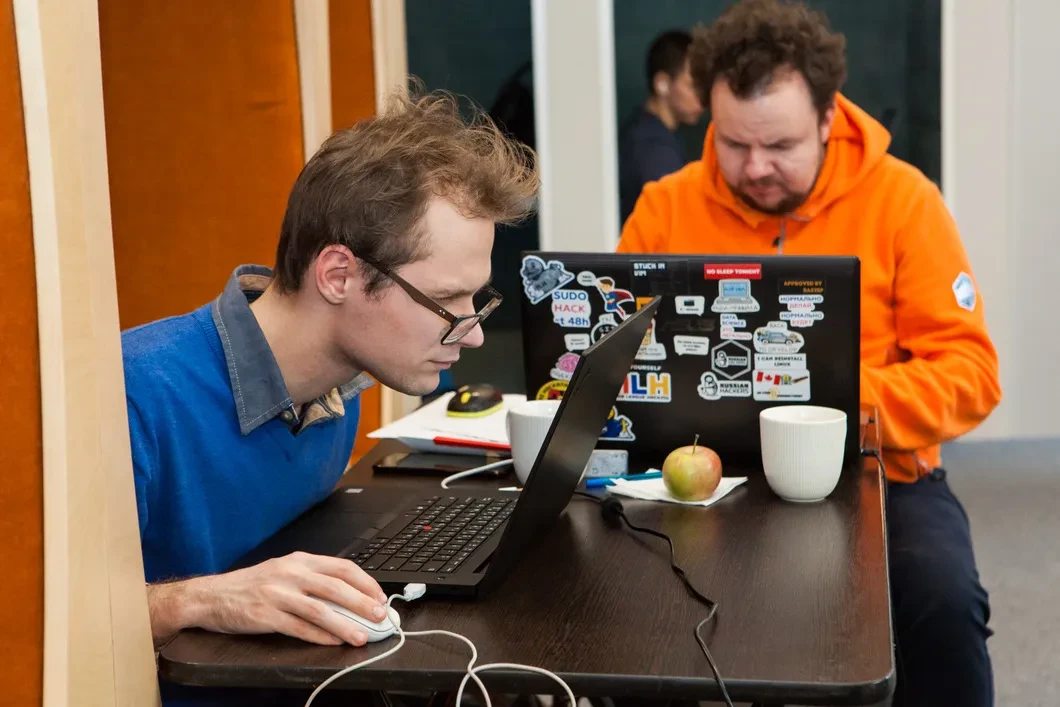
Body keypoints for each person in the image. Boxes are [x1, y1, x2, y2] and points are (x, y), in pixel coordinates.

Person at [618, 1, 1000, 705]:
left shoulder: (905, 201)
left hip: (882, 474)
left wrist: (834, 402)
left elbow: (971, 375)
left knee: (944, 603)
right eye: (734, 144)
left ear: (828, 118)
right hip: (708, 478)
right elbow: (616, 357)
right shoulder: (665, 206)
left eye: (780, 145)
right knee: (614, 598)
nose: (756, 167)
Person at [122, 89, 538, 705]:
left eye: (476, 299)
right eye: (446, 302)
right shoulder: (135, 394)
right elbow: (39, 619)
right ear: (338, 275)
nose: (473, 333)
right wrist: (201, 599)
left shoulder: (340, 387)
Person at [617, 29, 704, 225]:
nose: (701, 97)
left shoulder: (645, 129)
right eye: (692, 86)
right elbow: (677, 222)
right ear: (662, 84)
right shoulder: (654, 149)